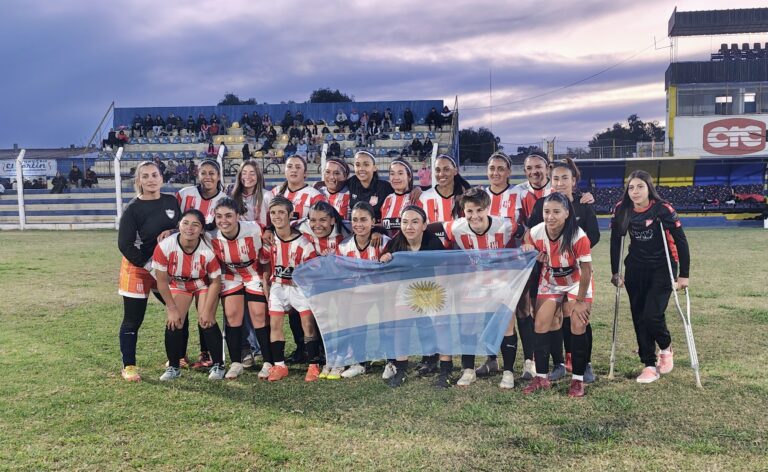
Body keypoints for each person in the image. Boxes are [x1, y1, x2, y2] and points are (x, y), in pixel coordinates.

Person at [610, 170, 690, 384]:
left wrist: (684, 275)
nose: (635, 192)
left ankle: (665, 346)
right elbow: (616, 240)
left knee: (652, 314)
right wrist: (615, 272)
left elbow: (681, 241)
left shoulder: (662, 209)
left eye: (640, 186)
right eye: (631, 187)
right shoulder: (622, 209)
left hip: (662, 267)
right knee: (639, 316)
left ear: (649, 188)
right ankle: (648, 364)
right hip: (636, 267)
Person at [436, 188, 519, 389]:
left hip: (500, 281)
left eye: (479, 210)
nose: (474, 216)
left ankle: (508, 372)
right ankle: (468, 369)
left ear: (487, 208)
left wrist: (525, 244)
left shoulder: (505, 225)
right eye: (469, 211)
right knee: (467, 324)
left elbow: (525, 233)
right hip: (472, 282)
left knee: (507, 323)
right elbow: (430, 229)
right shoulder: (456, 227)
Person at [528, 158, 600, 383]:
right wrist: (536, 251)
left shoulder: (583, 203)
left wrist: (570, 252)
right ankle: (558, 362)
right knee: (550, 320)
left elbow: (593, 236)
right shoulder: (543, 204)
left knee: (576, 319)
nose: (559, 182)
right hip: (550, 273)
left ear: (574, 181)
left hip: (575, 271)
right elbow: (530, 235)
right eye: (556, 178)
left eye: (564, 178)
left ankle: (582, 365)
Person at [522, 192, 594, 397]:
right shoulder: (537, 232)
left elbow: (587, 271)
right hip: (551, 280)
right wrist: (530, 248)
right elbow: (527, 239)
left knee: (578, 324)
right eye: (546, 211)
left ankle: (578, 380)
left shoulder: (578, 236)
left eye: (556, 212)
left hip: (576, 281)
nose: (550, 216)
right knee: (540, 324)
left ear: (566, 213)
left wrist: (580, 301)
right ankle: (541, 378)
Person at [117, 161, 181, 381]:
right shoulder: (133, 209)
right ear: (139, 181)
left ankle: (177, 357)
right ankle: (129, 366)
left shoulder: (171, 201)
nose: (151, 179)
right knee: (133, 319)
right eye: (145, 176)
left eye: (155, 175)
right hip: (137, 268)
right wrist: (148, 265)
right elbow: (125, 244)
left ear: (162, 178)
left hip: (163, 268)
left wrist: (173, 229)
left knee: (177, 309)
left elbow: (181, 229)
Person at [154, 209, 224, 381]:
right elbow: (162, 281)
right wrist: (171, 308)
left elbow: (216, 281)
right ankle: (173, 366)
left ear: (201, 230)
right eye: (185, 223)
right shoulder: (165, 246)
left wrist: (207, 310)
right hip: (179, 284)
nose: (189, 228)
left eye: (195, 224)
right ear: (179, 225)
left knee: (206, 320)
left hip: (202, 283)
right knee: (174, 321)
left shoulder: (208, 250)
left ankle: (218, 364)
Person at [379, 205, 445, 387]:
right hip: (405, 290)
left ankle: (434, 360)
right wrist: (384, 258)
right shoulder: (395, 242)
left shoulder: (433, 243)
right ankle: (401, 369)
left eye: (415, 222)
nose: (409, 226)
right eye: (405, 222)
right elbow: (383, 261)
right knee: (401, 327)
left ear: (424, 225)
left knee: (431, 326)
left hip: (429, 289)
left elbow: (444, 269)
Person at [209, 198, 272, 380]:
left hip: (254, 273)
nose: (224, 221)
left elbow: (269, 234)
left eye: (229, 216)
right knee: (232, 315)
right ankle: (236, 362)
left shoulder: (253, 228)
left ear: (238, 216)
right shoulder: (211, 234)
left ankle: (268, 361)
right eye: (219, 216)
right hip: (231, 275)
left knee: (259, 315)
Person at [175, 159, 227, 368]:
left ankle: (206, 354)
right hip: (184, 259)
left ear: (219, 176)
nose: (207, 177)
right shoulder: (185, 194)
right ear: (198, 174)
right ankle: (179, 354)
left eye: (212, 173)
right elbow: (175, 220)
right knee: (182, 308)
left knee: (205, 309)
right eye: (203, 172)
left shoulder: (224, 198)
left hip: (211, 260)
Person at [264, 196, 321, 382]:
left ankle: (313, 364)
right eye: (273, 213)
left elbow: (312, 274)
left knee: (308, 325)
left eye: (281, 212)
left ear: (290, 215)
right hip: (278, 287)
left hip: (299, 289)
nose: (277, 216)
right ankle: (279, 366)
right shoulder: (269, 241)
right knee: (275, 324)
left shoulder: (304, 244)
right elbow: (266, 266)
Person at [333, 202, 391, 379]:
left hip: (383, 291)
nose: (359, 224)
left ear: (373, 221)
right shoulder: (344, 247)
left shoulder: (385, 242)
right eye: (355, 220)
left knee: (387, 322)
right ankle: (359, 362)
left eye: (364, 220)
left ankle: (391, 360)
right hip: (358, 292)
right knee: (356, 323)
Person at [272, 155, 326, 220]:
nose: (294, 170)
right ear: (285, 172)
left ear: (305, 173)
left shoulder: (315, 196)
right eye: (289, 166)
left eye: (298, 167)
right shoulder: (275, 192)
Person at [347, 151, 394, 221]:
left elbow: (402, 192)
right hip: (356, 228)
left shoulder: (385, 187)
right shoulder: (350, 183)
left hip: (377, 230)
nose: (361, 169)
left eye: (366, 165)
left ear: (374, 168)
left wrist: (416, 190)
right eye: (357, 165)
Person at [380, 159, 420, 236]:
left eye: (400, 173)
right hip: (389, 246)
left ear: (409, 177)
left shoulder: (418, 197)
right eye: (392, 174)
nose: (396, 178)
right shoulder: (388, 199)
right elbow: (384, 225)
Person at [227, 159, 272, 227]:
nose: (247, 177)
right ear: (239, 176)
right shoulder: (232, 196)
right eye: (244, 173)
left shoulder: (267, 195)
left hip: (261, 235)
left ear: (258, 176)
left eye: (252, 174)